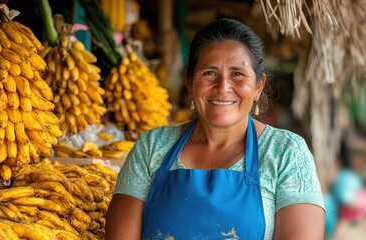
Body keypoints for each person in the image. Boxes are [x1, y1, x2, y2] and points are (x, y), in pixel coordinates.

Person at [105, 18, 325, 240]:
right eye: (209, 73)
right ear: (190, 83)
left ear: (258, 86)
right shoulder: (152, 147)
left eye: (237, 74)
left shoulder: (286, 152)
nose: (223, 87)